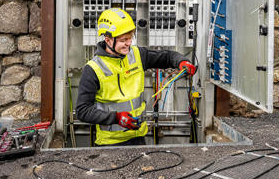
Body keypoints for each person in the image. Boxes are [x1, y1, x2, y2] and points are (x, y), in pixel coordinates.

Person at [76, 8, 197, 146]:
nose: (129, 43)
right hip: (109, 144)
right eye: (123, 40)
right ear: (108, 40)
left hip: (139, 137)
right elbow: (83, 111)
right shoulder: (93, 69)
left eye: (130, 38)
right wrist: (116, 118)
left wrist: (182, 62)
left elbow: (167, 56)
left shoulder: (137, 55)